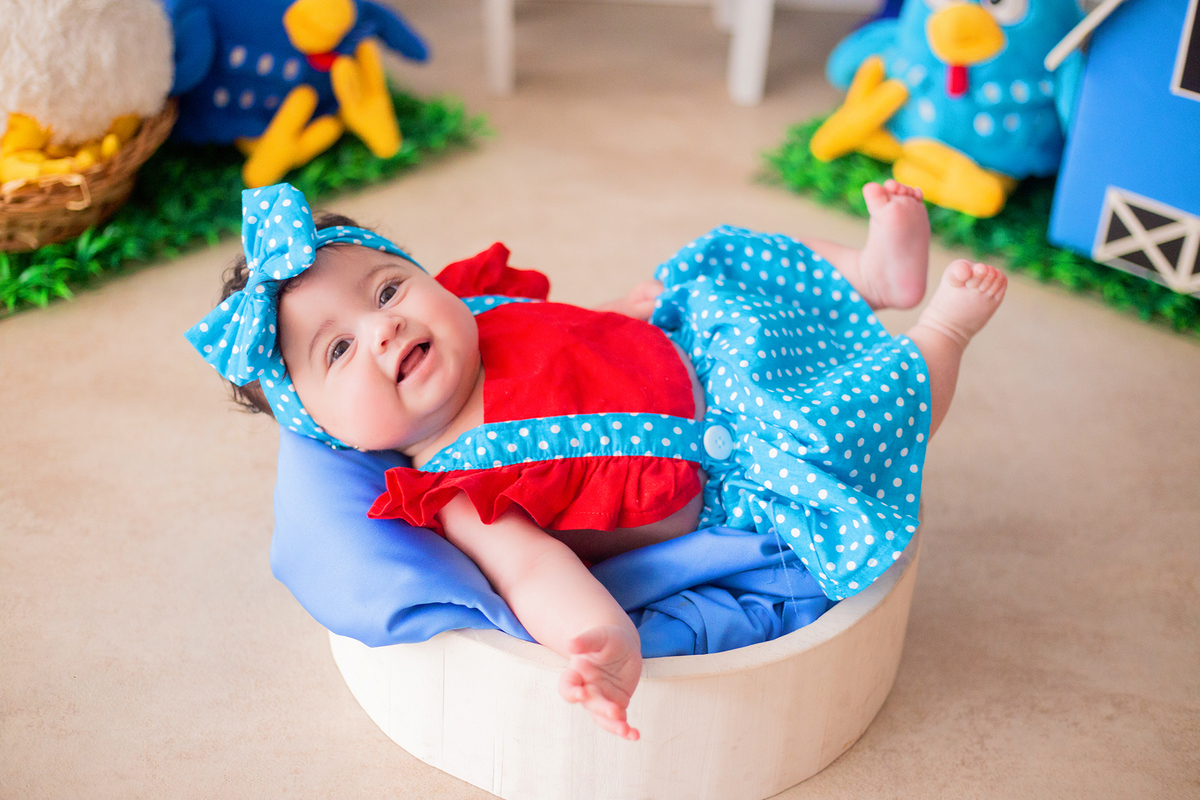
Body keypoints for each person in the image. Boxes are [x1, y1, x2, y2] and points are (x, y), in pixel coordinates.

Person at [187, 179, 1005, 741]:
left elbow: (575, 328)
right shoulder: (460, 489)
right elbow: (535, 571)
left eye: (389, 289)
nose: (383, 329)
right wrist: (601, 641)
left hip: (706, 350)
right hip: (738, 467)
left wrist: (632, 311)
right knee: (870, 416)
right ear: (328, 432)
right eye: (338, 350)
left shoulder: (485, 311)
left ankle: (873, 276)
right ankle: (941, 334)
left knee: (731, 260)